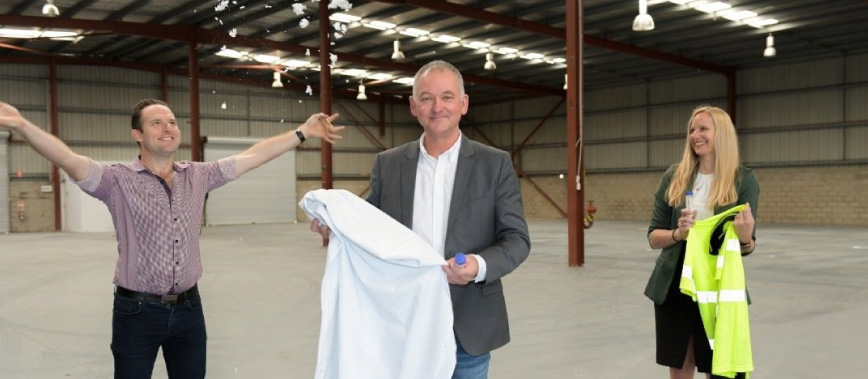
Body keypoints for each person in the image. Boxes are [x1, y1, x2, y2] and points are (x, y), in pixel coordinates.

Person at [0, 99, 344, 379]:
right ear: (137, 134)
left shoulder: (197, 175)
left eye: (172, 122)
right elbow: (69, 161)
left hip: (190, 310)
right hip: (136, 311)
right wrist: (21, 125)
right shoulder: (117, 181)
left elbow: (251, 158)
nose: (168, 128)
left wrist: (302, 132)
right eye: (157, 123)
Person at [312, 60, 530, 379]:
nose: (437, 107)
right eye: (427, 98)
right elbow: (368, 227)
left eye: (447, 96)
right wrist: (337, 226)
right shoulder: (388, 165)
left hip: (467, 325)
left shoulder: (494, 164)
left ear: (464, 104)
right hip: (403, 321)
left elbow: (517, 239)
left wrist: (477, 266)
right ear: (414, 106)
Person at [645, 105, 759, 379]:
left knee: (718, 365)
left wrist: (745, 236)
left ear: (722, 135)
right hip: (676, 282)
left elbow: (748, 245)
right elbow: (653, 236)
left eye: (703, 129)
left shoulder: (743, 180)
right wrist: (677, 234)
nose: (695, 135)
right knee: (680, 362)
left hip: (719, 282)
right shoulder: (674, 176)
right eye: (692, 130)